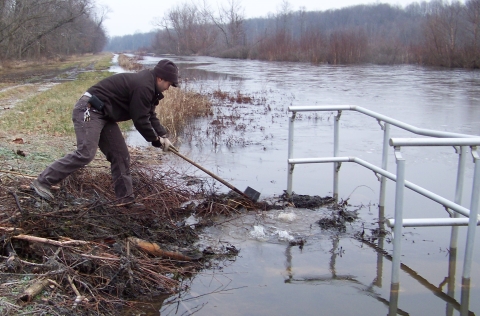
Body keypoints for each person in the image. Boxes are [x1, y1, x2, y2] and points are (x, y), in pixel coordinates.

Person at [31, 59, 179, 209]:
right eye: (169, 83)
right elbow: (140, 120)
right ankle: (43, 181)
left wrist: (163, 136)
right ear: (160, 78)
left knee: (120, 155)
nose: (168, 88)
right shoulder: (144, 86)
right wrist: (155, 140)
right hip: (88, 110)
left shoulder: (150, 88)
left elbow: (150, 115)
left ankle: (125, 201)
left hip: (105, 115)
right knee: (86, 153)